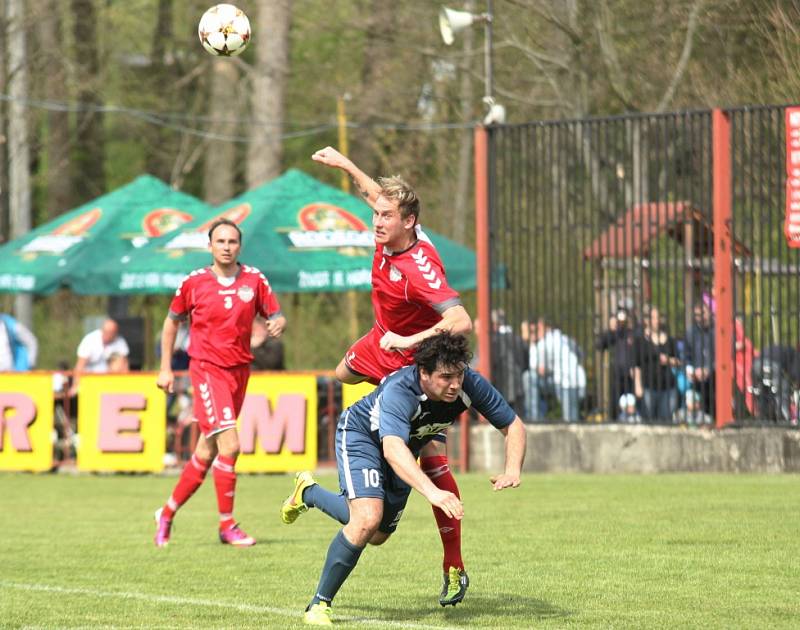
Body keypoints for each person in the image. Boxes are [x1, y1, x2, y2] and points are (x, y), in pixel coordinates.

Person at [311, 146, 474, 605]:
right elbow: (374, 193)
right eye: (376, 213)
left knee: (431, 456)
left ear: (409, 221)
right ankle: (379, 424)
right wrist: (345, 165)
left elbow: (462, 321)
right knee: (342, 373)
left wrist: (409, 342)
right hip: (379, 338)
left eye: (386, 215)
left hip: (409, 358)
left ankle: (453, 563)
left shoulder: (418, 268)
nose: (377, 221)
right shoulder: (394, 229)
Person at [280, 333, 526, 626]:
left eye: (459, 375)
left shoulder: (469, 383)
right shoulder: (401, 390)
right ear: (423, 373)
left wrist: (512, 469)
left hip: (405, 449)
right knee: (367, 519)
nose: (455, 384)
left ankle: (308, 493)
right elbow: (392, 449)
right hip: (362, 438)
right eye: (446, 377)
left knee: (378, 534)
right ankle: (319, 604)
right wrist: (432, 493)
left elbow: (513, 424)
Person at [153, 218, 286, 548]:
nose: (226, 247)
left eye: (232, 242)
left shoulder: (254, 280)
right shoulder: (194, 283)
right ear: (210, 246)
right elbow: (170, 325)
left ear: (239, 246)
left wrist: (278, 322)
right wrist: (165, 368)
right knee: (231, 446)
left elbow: (275, 313)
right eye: (220, 241)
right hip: (207, 370)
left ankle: (166, 513)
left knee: (206, 450)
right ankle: (227, 525)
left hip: (239, 371)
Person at [522, 316, 586, 422]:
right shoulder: (564, 338)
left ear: (546, 328)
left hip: (566, 383)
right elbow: (580, 353)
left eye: (538, 329)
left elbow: (538, 368)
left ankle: (534, 418)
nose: (535, 332)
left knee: (528, 377)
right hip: (579, 380)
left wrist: (532, 343)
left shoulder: (544, 343)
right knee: (574, 420)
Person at [632, 306, 681, 423]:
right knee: (649, 419)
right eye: (653, 318)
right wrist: (637, 385)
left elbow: (679, 361)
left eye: (658, 317)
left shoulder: (670, 340)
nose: (656, 320)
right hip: (649, 386)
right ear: (647, 320)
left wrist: (669, 360)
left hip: (668, 388)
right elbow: (636, 365)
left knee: (666, 420)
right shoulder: (641, 341)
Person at [596, 304, 639, 421]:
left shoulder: (634, 332)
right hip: (617, 376)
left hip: (632, 376)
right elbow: (599, 344)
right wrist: (611, 329)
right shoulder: (616, 333)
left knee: (633, 407)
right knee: (615, 407)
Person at [67, 318, 129, 396]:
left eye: (112, 332)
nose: (109, 334)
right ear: (102, 330)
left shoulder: (120, 342)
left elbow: (124, 367)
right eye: (107, 332)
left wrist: (126, 385)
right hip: (89, 381)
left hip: (110, 382)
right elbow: (80, 366)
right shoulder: (89, 340)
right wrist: (75, 386)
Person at [684, 302, 715, 416]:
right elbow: (687, 356)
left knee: (715, 411)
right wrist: (690, 369)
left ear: (710, 312)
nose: (699, 318)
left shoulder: (718, 331)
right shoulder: (690, 332)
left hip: (715, 380)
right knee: (699, 414)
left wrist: (708, 369)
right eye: (696, 315)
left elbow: (725, 356)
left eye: (702, 313)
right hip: (697, 381)